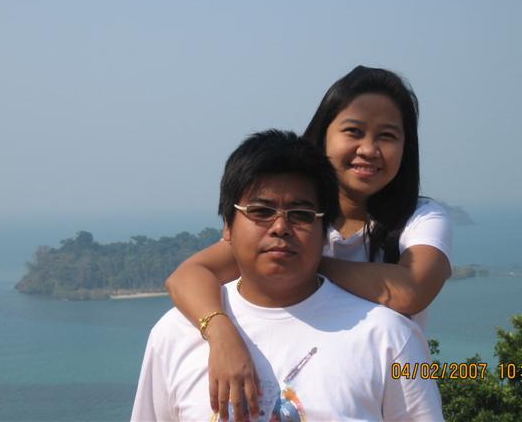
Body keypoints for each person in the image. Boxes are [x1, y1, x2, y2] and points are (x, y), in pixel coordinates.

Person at [165, 66, 453, 420]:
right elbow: (187, 276)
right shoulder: (290, 218)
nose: (369, 149)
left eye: (388, 136)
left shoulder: (420, 218)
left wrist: (303, 260)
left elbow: (412, 290)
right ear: (323, 134)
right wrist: (220, 333)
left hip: (388, 379)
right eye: (354, 131)